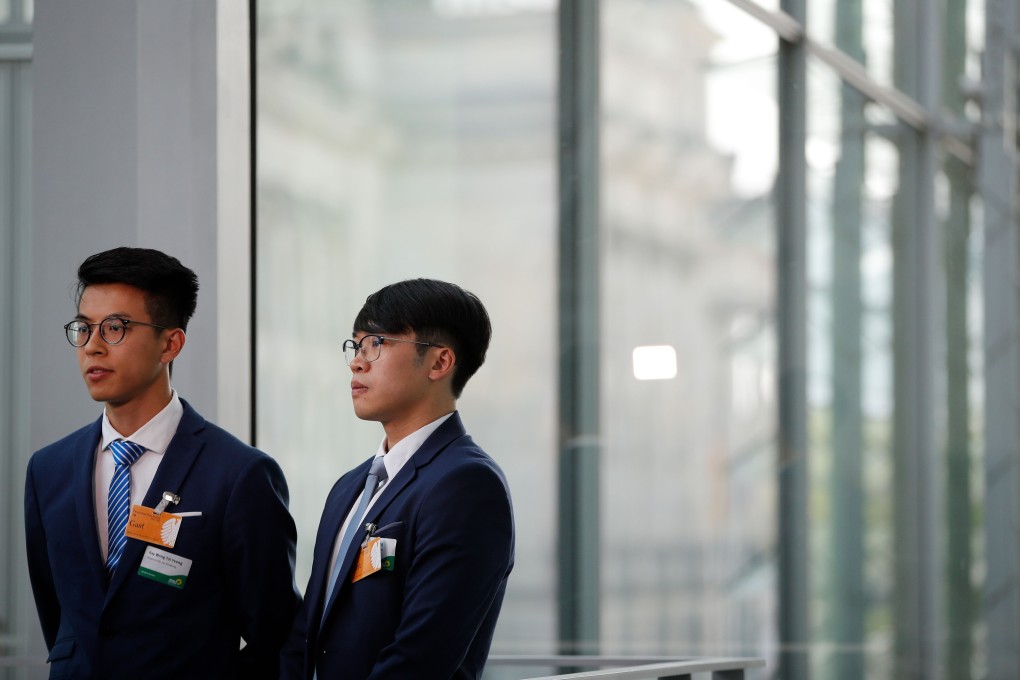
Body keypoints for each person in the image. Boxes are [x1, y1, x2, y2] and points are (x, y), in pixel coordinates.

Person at [24, 247, 301, 679]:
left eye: (114, 328)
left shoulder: (238, 475)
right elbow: (62, 621)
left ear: (170, 343)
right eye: (83, 328)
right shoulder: (48, 469)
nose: (92, 346)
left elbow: (277, 636)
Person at [282, 279, 515, 680]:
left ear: (439, 363)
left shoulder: (467, 484)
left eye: (377, 343)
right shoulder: (350, 486)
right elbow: (306, 633)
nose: (358, 361)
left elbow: (421, 657)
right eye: (355, 346)